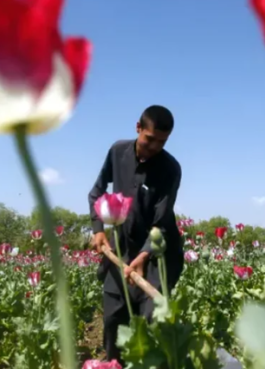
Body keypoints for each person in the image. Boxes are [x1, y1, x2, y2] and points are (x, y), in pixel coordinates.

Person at [88, 105, 183, 363]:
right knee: (112, 321)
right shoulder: (117, 151)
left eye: (161, 142)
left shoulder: (170, 168)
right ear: (138, 128)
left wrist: (143, 255)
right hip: (120, 247)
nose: (154, 147)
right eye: (149, 139)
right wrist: (98, 231)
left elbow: (161, 222)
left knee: (149, 324)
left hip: (156, 253)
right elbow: (96, 192)